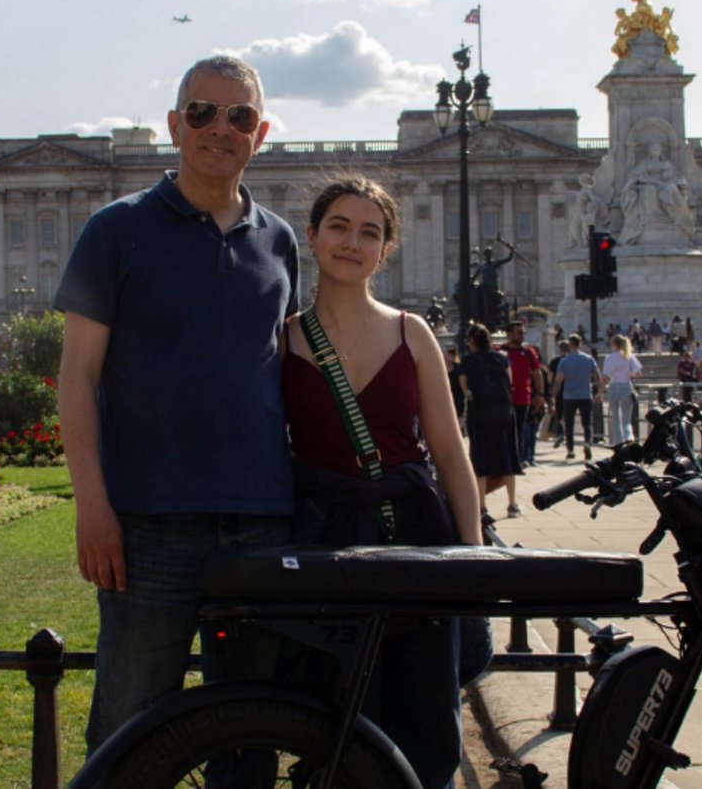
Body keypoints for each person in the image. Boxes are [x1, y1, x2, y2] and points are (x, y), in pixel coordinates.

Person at [54, 55, 301, 756]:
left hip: (260, 522)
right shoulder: (115, 228)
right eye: (202, 113)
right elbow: (76, 378)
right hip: (147, 527)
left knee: (250, 735)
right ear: (174, 125)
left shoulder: (281, 241)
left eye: (239, 116)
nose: (220, 128)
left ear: (261, 133)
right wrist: (91, 506)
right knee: (128, 736)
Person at [282, 177, 481, 787]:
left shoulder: (411, 331)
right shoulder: (282, 336)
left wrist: (473, 552)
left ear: (385, 250)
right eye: (339, 227)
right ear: (312, 237)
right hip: (325, 539)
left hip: (415, 531)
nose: (352, 242)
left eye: (370, 232)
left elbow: (449, 451)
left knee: (426, 709)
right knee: (337, 714)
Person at [459, 322, 523, 516]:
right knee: (508, 458)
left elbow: (465, 390)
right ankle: (512, 504)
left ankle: (481, 506)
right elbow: (509, 382)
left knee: (480, 461)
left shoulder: (467, 362)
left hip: (479, 416)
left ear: (471, 341)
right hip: (504, 415)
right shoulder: (502, 358)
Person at [502, 322, 545, 467]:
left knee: (519, 430)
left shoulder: (528, 352)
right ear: (509, 334)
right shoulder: (500, 351)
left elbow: (537, 374)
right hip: (503, 400)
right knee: (504, 430)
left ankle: (517, 460)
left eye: (523, 332)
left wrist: (540, 394)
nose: (522, 335)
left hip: (522, 398)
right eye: (519, 332)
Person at [551, 335, 601, 460]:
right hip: (585, 395)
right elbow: (597, 376)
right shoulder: (588, 359)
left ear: (570, 345)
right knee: (587, 423)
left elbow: (558, 381)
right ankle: (587, 443)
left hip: (569, 396)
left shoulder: (564, 361)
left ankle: (571, 450)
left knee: (569, 424)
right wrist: (600, 392)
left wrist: (552, 395)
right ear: (580, 344)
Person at [601, 334, 642, 443]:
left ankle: (618, 441)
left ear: (614, 344)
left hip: (614, 385)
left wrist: (600, 390)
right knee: (626, 417)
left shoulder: (610, 358)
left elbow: (606, 376)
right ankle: (628, 435)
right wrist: (629, 374)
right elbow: (638, 373)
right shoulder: (629, 356)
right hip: (626, 385)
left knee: (615, 416)